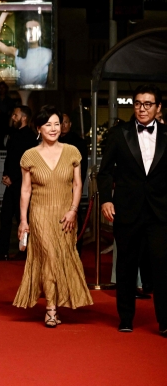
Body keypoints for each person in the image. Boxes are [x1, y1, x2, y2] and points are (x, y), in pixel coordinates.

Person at [98, 84, 167, 336]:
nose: (142, 109)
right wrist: (106, 199)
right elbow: (105, 171)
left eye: (148, 104)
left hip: (160, 213)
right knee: (126, 267)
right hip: (127, 211)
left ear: (158, 107)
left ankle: (165, 321)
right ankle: (125, 318)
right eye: (138, 103)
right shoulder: (119, 133)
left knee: (162, 268)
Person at [15, 105, 93, 328]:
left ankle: (59, 300)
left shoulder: (72, 152)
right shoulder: (29, 156)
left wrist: (73, 210)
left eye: (57, 124)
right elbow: (25, 190)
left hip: (66, 213)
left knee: (61, 257)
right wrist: (23, 220)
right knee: (49, 256)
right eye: (48, 124)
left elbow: (78, 184)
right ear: (38, 128)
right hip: (39, 213)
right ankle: (50, 308)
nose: (53, 128)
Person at [0, 105, 37, 261]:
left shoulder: (30, 137)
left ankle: (25, 252)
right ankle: (2, 251)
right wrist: (5, 175)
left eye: (15, 115)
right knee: (5, 218)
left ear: (24, 117)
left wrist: (13, 177)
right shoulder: (13, 135)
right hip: (11, 184)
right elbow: (9, 158)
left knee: (22, 218)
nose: (12, 117)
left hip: (22, 184)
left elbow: (28, 163)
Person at [59, 113, 89, 255]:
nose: (63, 125)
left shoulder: (78, 142)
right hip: (55, 189)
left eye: (66, 122)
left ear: (70, 124)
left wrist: (76, 186)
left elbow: (82, 169)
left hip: (72, 187)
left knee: (75, 220)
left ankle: (75, 254)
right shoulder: (52, 140)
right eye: (60, 122)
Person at [0, 12, 52, 87]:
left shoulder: (48, 53)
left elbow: (50, 82)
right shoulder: (17, 52)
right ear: (25, 33)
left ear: (40, 32)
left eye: (35, 29)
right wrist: (4, 14)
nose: (31, 33)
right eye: (28, 29)